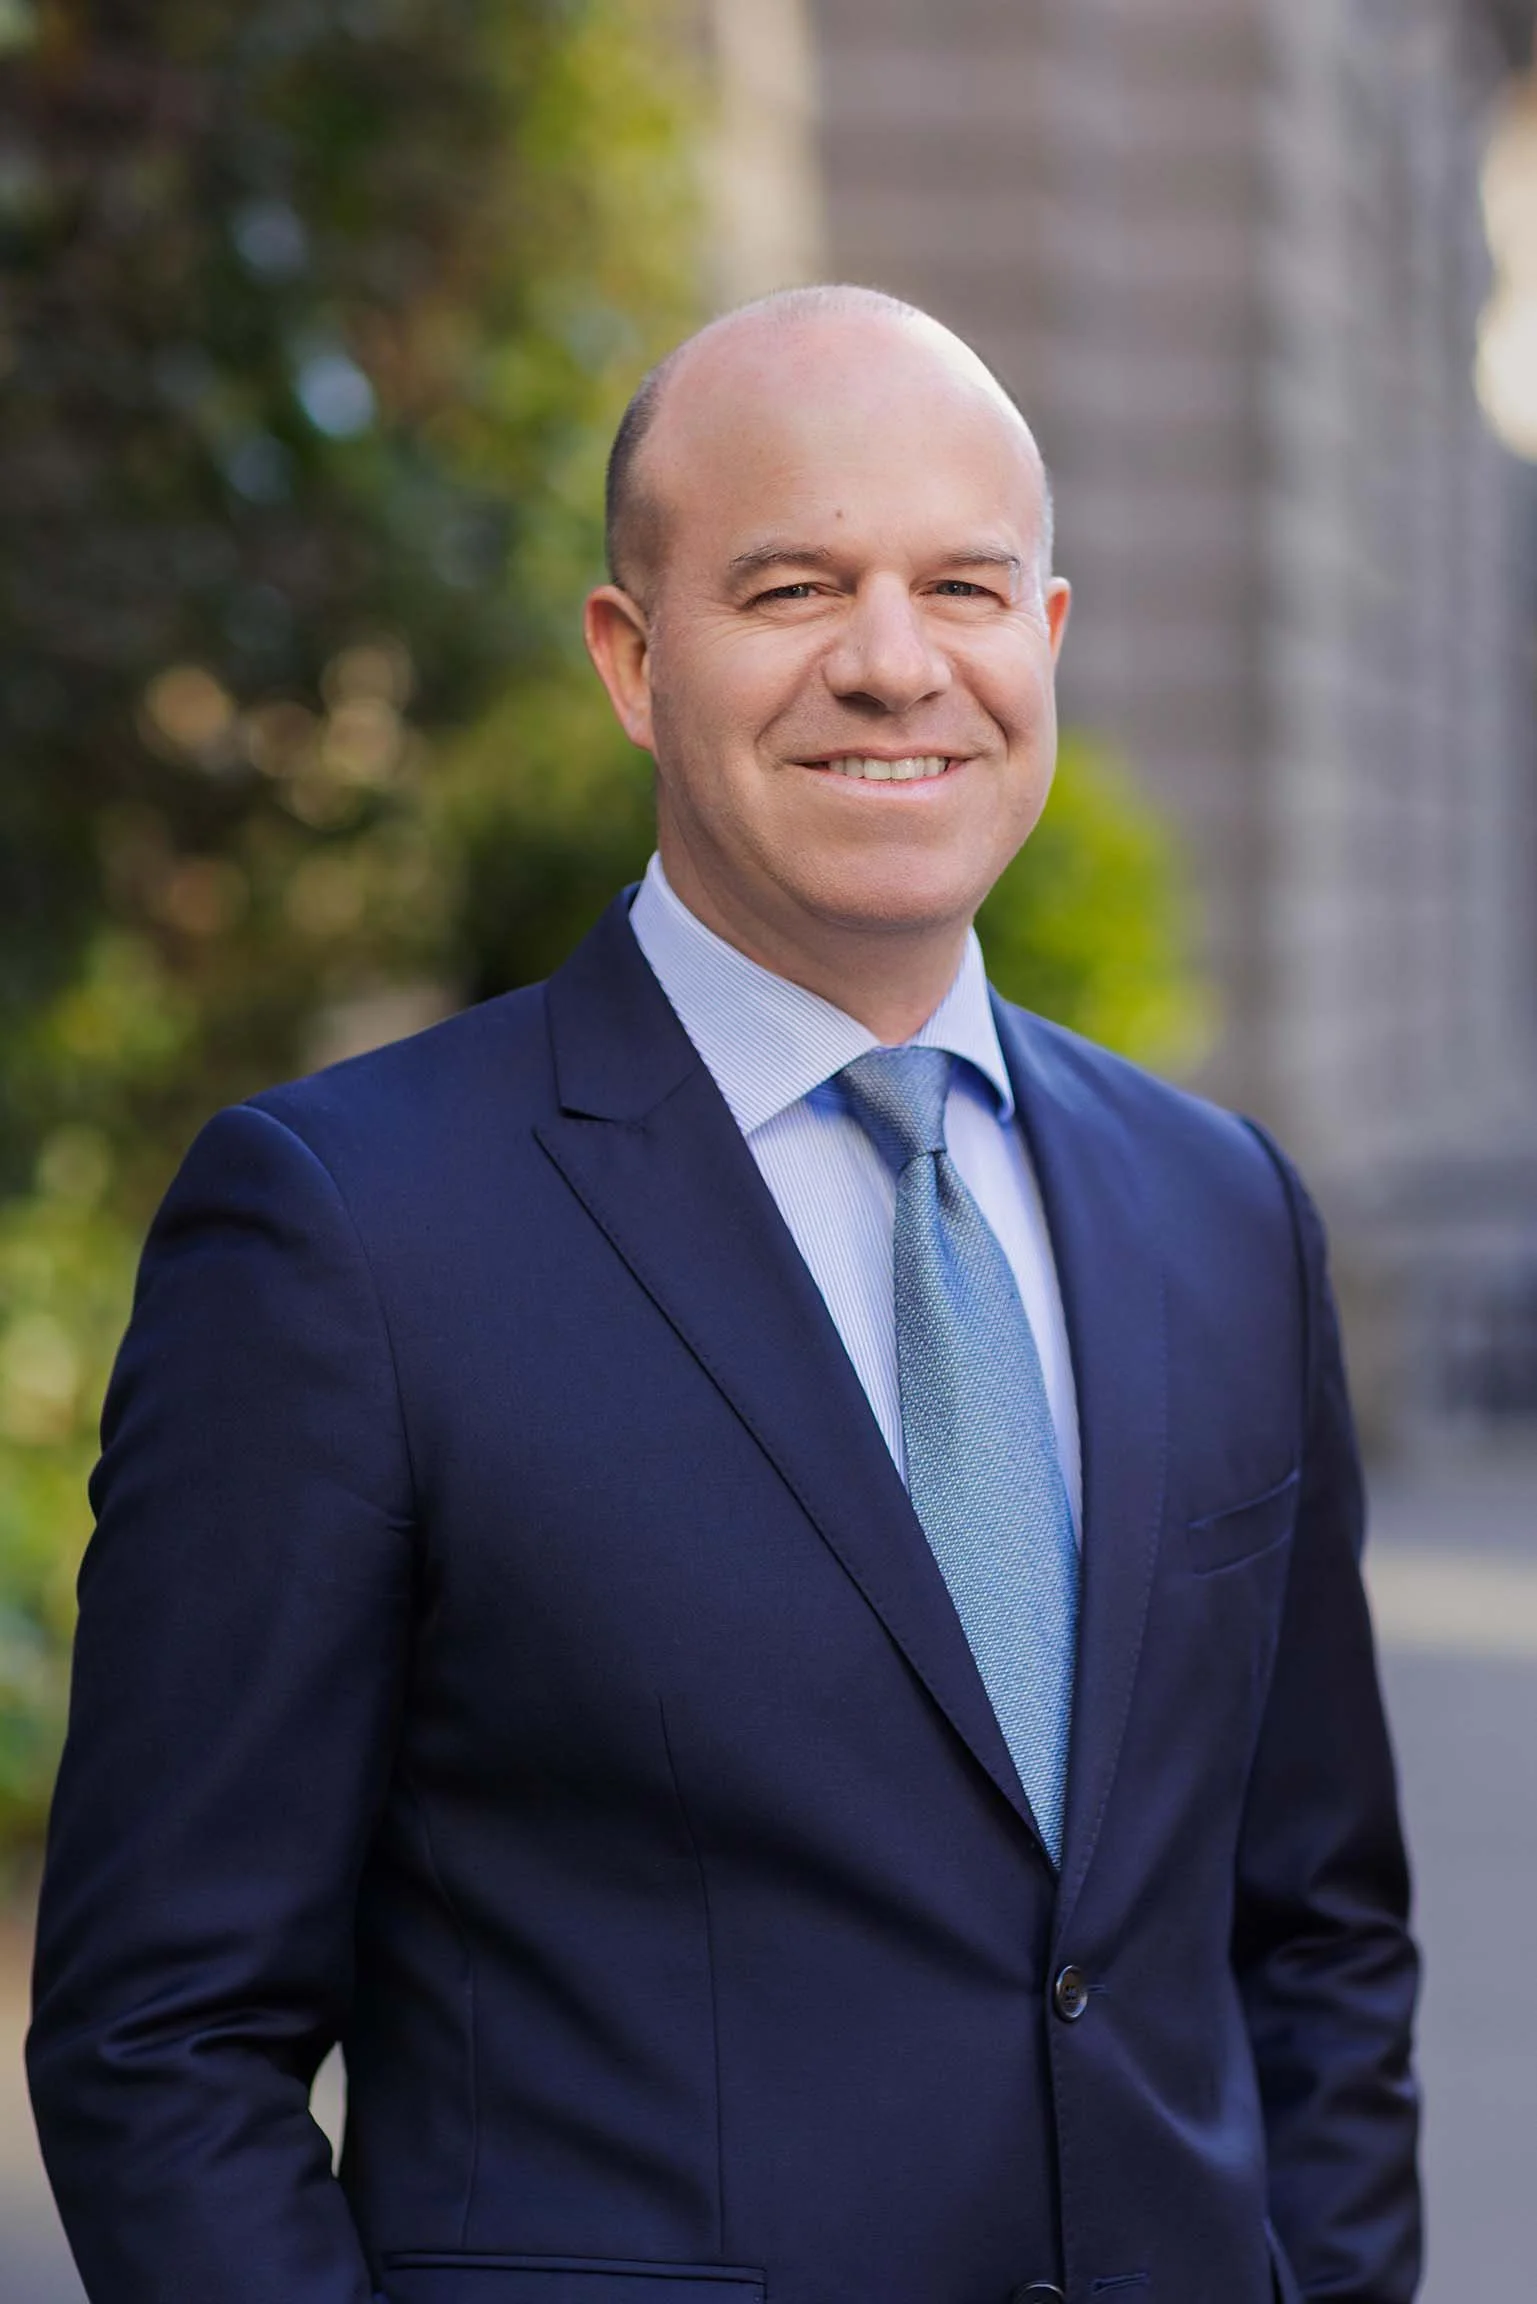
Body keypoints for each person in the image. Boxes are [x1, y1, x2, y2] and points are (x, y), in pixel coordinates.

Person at [28, 286, 1420, 2304]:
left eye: (961, 586)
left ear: (1043, 639)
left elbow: (1318, 1936)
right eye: (793, 588)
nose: (892, 662)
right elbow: (164, 2041)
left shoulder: (1222, 1214)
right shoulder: (347, 1234)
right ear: (633, 656)